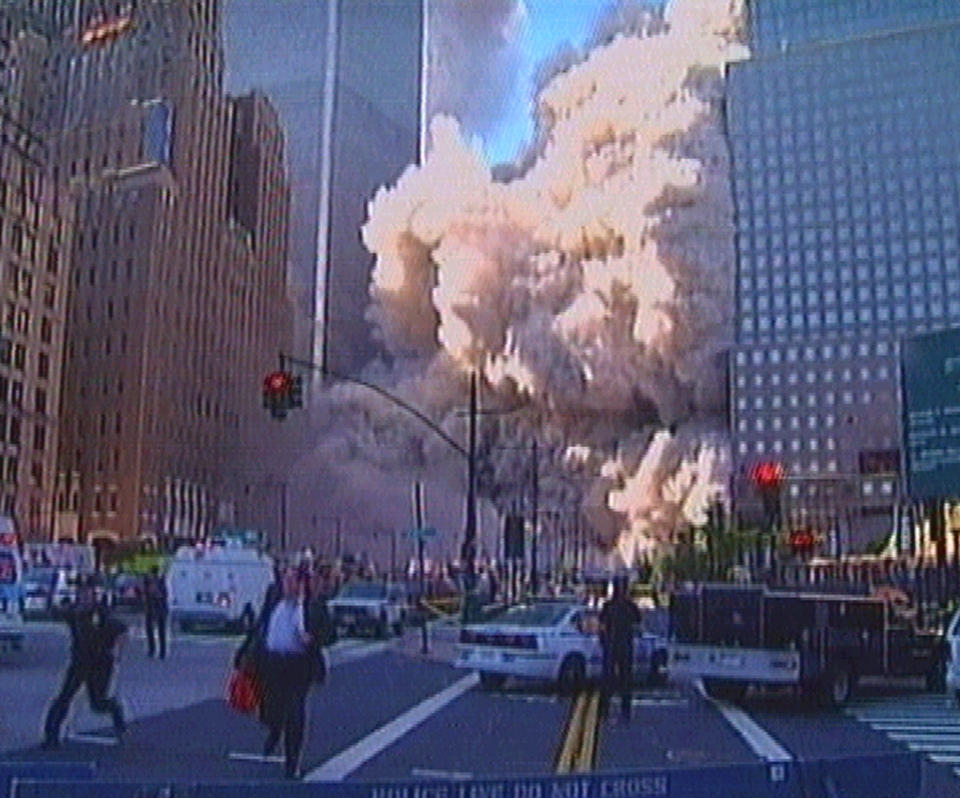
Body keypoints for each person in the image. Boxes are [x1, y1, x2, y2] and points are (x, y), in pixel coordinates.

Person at [236, 565, 316, 780]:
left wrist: (312, 639)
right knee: (270, 707)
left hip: (298, 666)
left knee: (296, 713)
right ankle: (274, 727)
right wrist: (243, 653)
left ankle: (293, 764)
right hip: (271, 663)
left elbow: (328, 632)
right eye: (285, 580)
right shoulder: (273, 598)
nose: (287, 585)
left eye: (292, 581)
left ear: (301, 584)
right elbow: (260, 626)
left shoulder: (311, 605)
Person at [42, 576, 128, 748]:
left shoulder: (101, 612)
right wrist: (49, 595)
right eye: (81, 593)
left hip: (101, 662)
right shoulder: (74, 612)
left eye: (88, 593)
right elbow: (54, 612)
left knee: (98, 702)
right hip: (79, 661)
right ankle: (51, 736)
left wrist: (116, 651)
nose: (84, 596)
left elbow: (122, 630)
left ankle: (116, 711)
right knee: (64, 697)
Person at [598, 576, 642, 723]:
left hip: (611, 645)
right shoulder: (630, 606)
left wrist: (603, 642)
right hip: (625, 645)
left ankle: (605, 711)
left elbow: (602, 626)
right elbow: (638, 625)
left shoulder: (608, 606)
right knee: (626, 680)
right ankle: (625, 712)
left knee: (608, 680)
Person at [143, 566, 169, 659]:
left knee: (161, 630)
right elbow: (145, 594)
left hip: (160, 607)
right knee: (149, 629)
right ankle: (152, 649)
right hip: (151, 607)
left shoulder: (161, 581)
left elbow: (164, 594)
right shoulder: (147, 582)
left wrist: (157, 594)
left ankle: (162, 651)